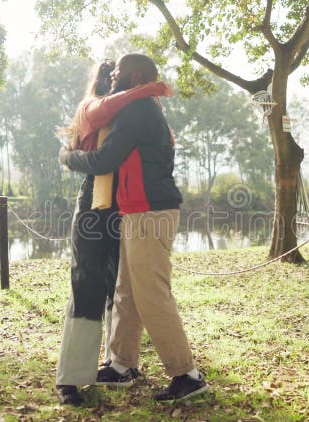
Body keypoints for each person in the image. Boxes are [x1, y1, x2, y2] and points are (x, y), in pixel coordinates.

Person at [60, 53, 208, 401]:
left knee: (151, 294)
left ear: (138, 74)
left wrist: (68, 158)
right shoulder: (140, 107)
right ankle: (121, 365)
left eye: (120, 72)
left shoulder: (139, 109)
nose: (113, 76)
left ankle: (187, 374)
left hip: (150, 213)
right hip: (136, 212)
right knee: (126, 290)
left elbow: (104, 160)